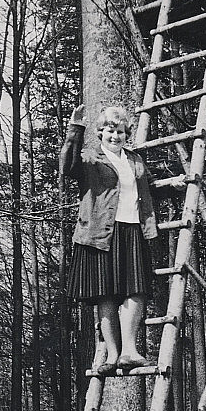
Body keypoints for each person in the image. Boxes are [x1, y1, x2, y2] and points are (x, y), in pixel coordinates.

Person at [61, 103, 157, 376]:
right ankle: (113, 355)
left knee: (136, 290)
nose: (116, 136)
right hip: (99, 233)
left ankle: (130, 351)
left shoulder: (135, 161)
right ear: (101, 133)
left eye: (122, 132)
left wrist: (179, 186)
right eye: (110, 131)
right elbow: (66, 166)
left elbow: (150, 189)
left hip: (133, 230)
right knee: (106, 294)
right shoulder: (90, 159)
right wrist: (75, 129)